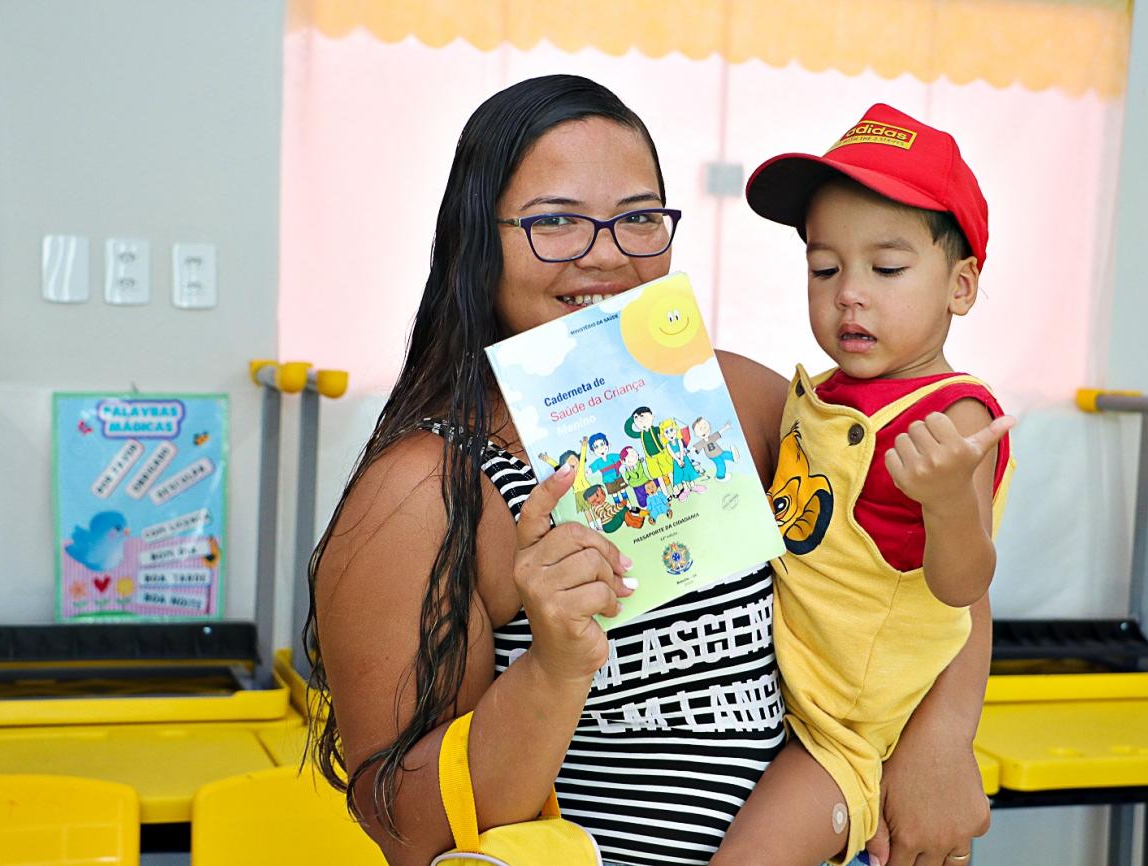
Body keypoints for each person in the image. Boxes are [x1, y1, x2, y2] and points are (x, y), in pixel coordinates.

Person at [304, 77, 994, 866]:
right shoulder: (424, 491)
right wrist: (554, 666)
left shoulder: (741, 401)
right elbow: (405, 830)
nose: (605, 254)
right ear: (476, 241)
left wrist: (944, 737)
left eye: (637, 218)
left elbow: (920, 563)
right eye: (554, 220)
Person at [712, 104, 1016, 866]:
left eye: (886, 269)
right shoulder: (826, 395)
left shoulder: (952, 415)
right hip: (773, 693)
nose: (849, 292)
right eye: (825, 268)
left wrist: (948, 502)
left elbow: (963, 587)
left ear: (961, 286)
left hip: (842, 734)